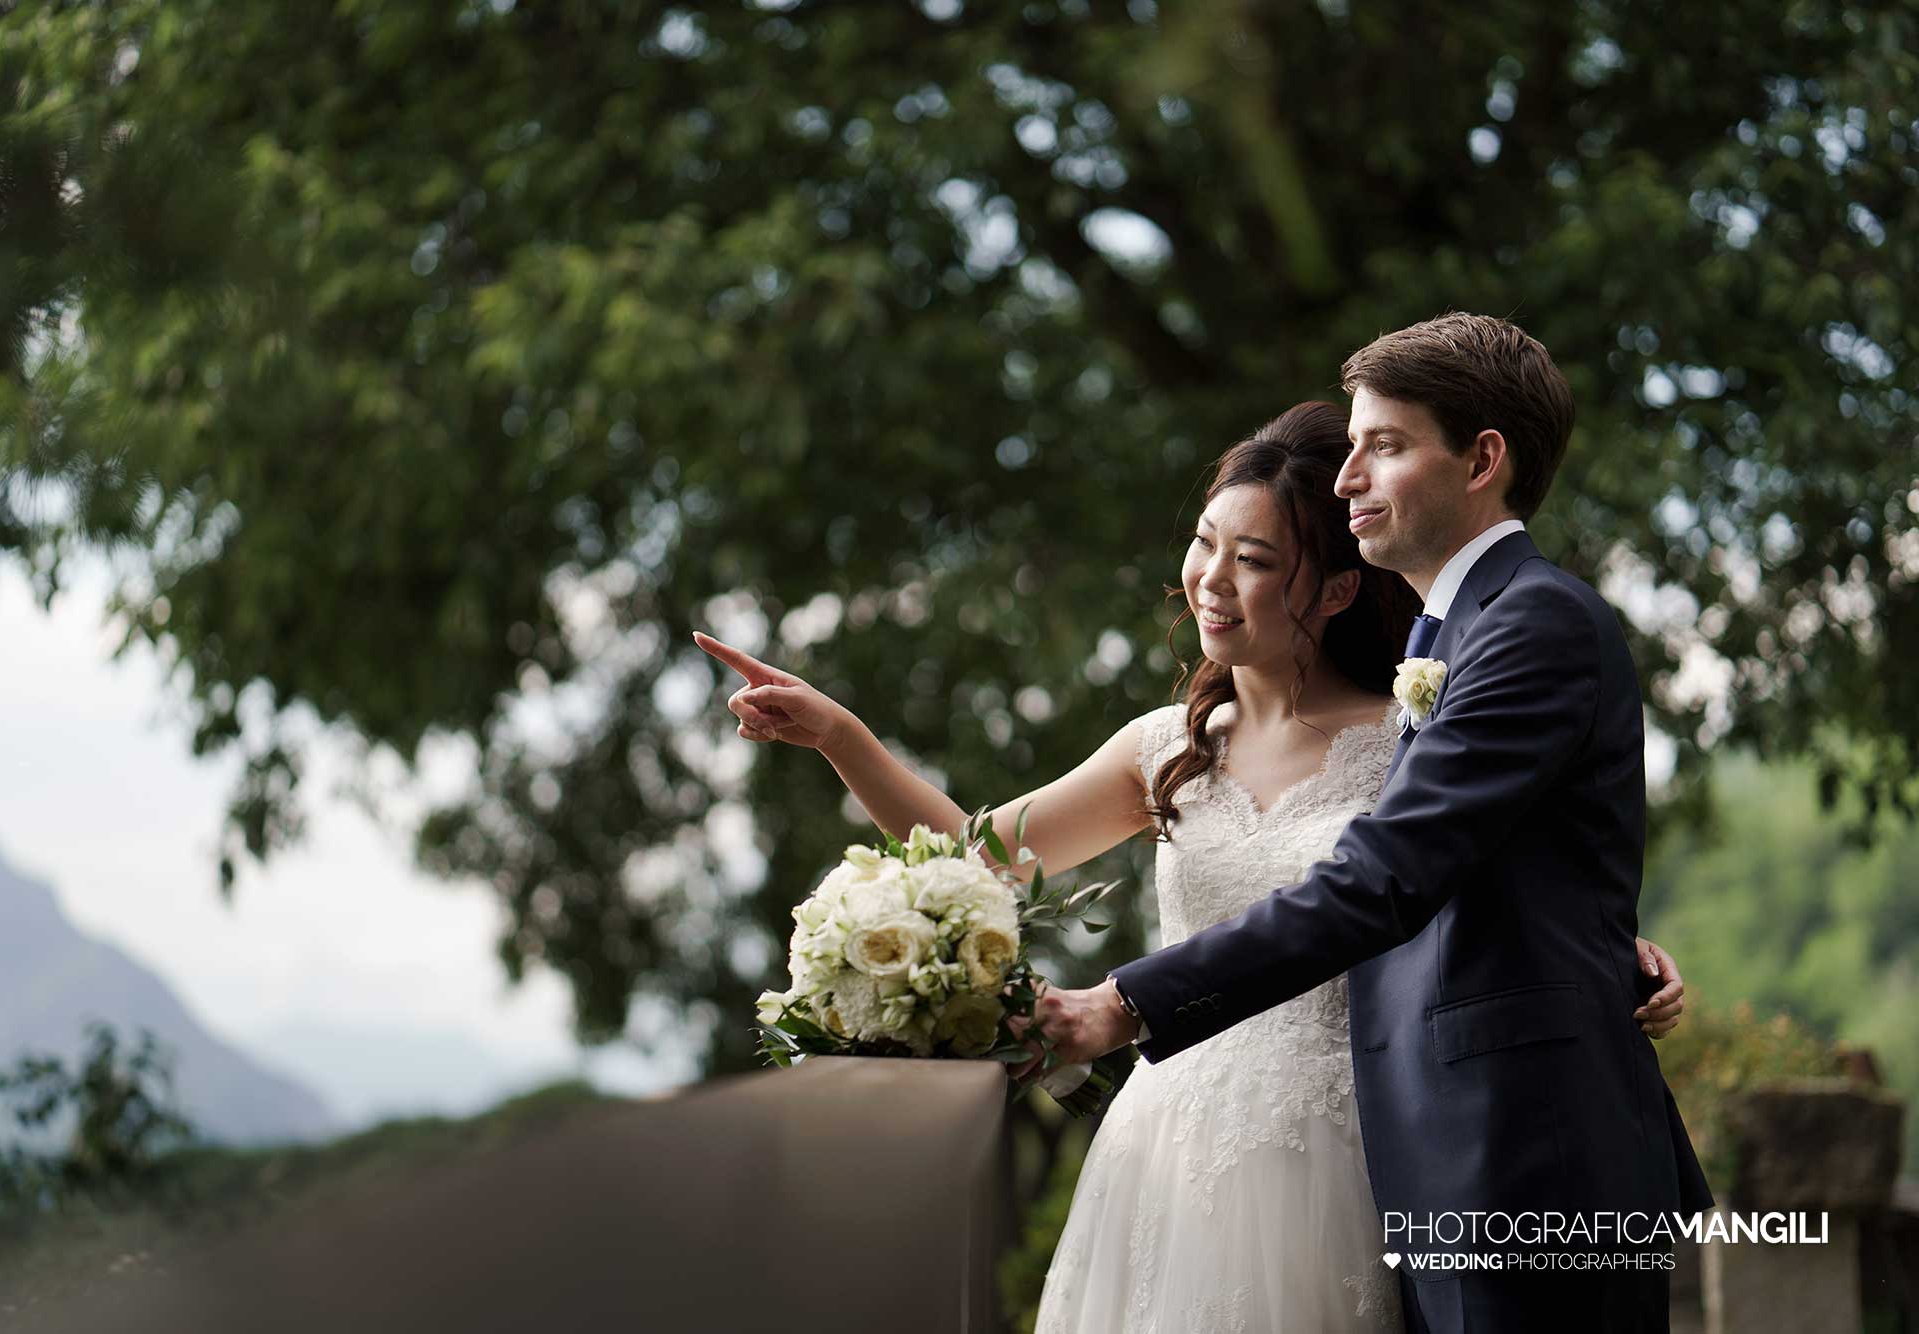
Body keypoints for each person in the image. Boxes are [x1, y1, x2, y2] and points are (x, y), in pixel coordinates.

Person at [696, 390, 1689, 1332]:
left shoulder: (1410, 730)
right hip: (1165, 1139)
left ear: (1339, 585)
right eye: (1204, 543)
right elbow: (973, 857)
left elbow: (1455, 869)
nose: (1212, 579)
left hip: (1350, 1147)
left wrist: (1612, 952)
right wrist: (841, 737)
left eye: (1253, 558)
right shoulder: (1162, 745)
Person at [1012, 315, 1715, 1333]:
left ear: (1481, 460)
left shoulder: (1532, 623)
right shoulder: (1455, 640)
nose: (1345, 479)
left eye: (1382, 445)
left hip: (1523, 1159)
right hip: (1437, 1159)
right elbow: (1495, 863)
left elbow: (1386, 871)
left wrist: (1124, 1003)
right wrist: (1604, 946)